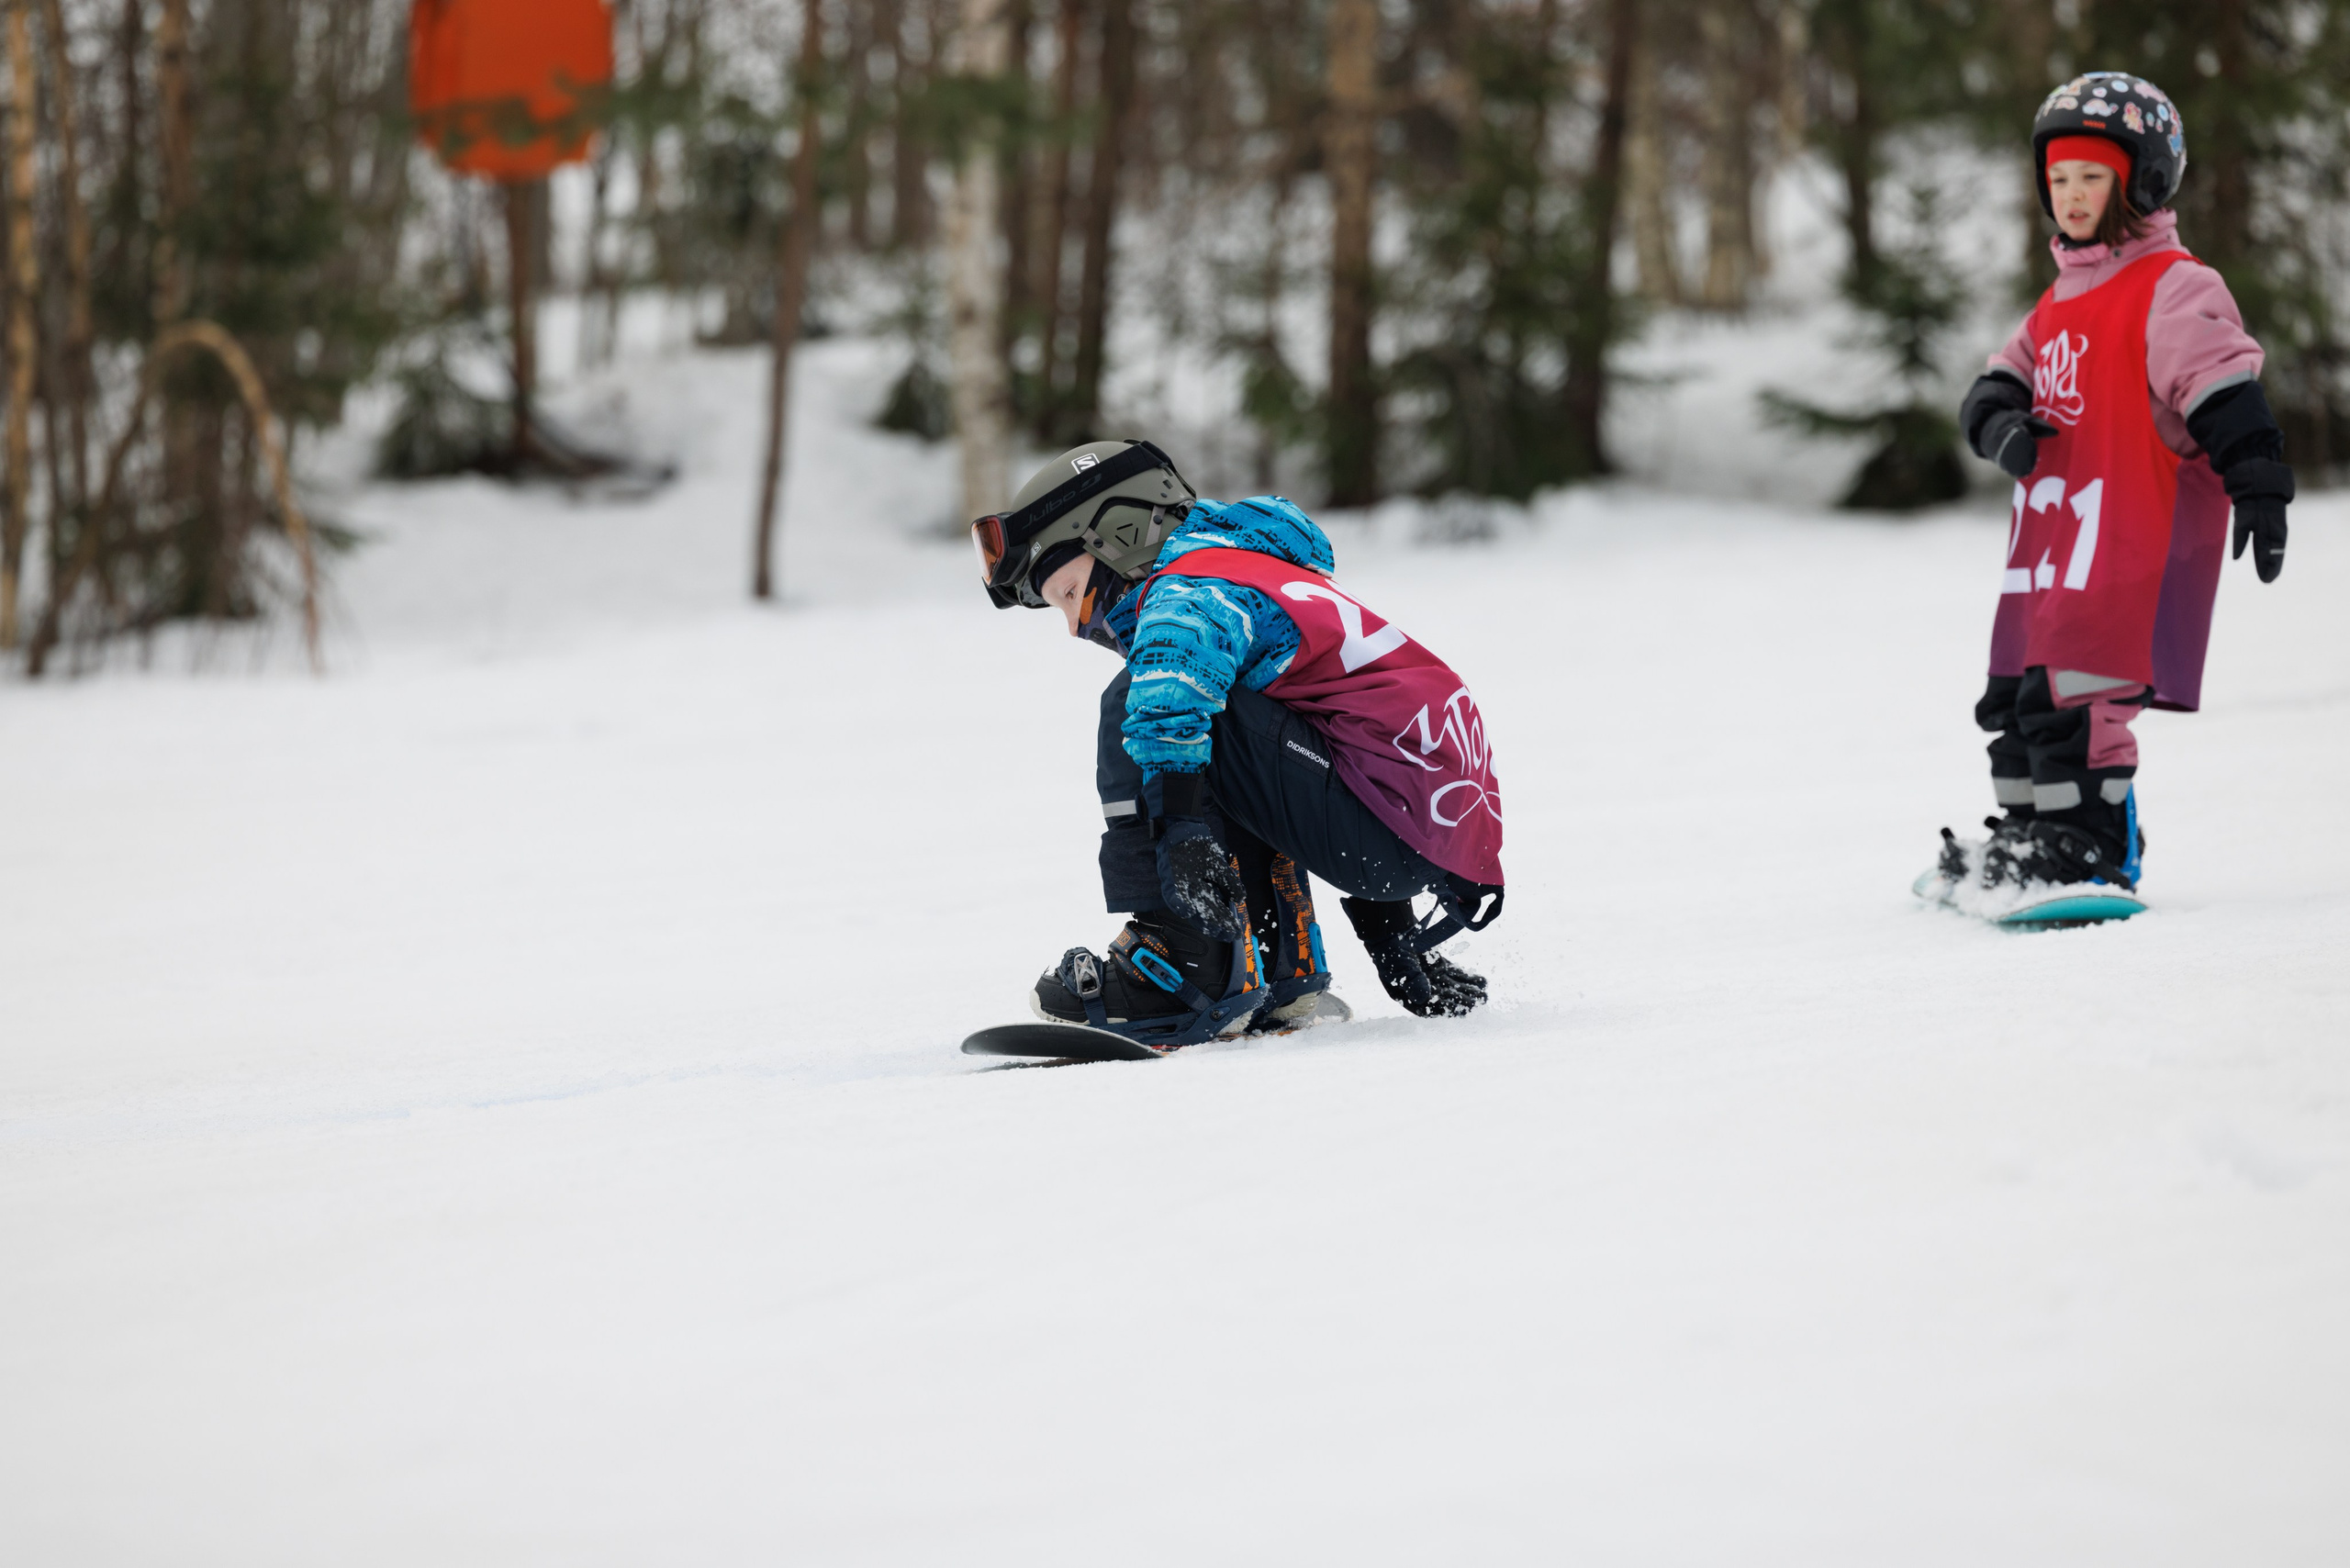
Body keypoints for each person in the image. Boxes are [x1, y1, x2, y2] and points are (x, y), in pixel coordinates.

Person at [970, 441, 1505, 1050]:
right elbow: (1361, 741)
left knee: (1150, 698)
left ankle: (1179, 968)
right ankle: (1284, 974)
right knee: (1216, 710)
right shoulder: (1250, 568)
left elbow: (1170, 704)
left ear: (1118, 536)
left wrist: (1179, 834)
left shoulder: (1192, 583)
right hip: (1412, 834)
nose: (1072, 625)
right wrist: (1392, 931)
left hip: (1383, 830)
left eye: (1068, 593)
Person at [1935, 71, 2291, 896]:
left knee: (2081, 705)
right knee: (2015, 706)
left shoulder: (2172, 286)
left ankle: (2092, 844)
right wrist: (2003, 428)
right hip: (2052, 555)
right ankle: (2028, 839)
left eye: (2091, 176)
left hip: (2125, 543)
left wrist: (2260, 481)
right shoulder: (2058, 299)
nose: (2070, 195)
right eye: (2057, 178)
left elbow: (2222, 388)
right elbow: (1994, 386)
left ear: (2143, 180)